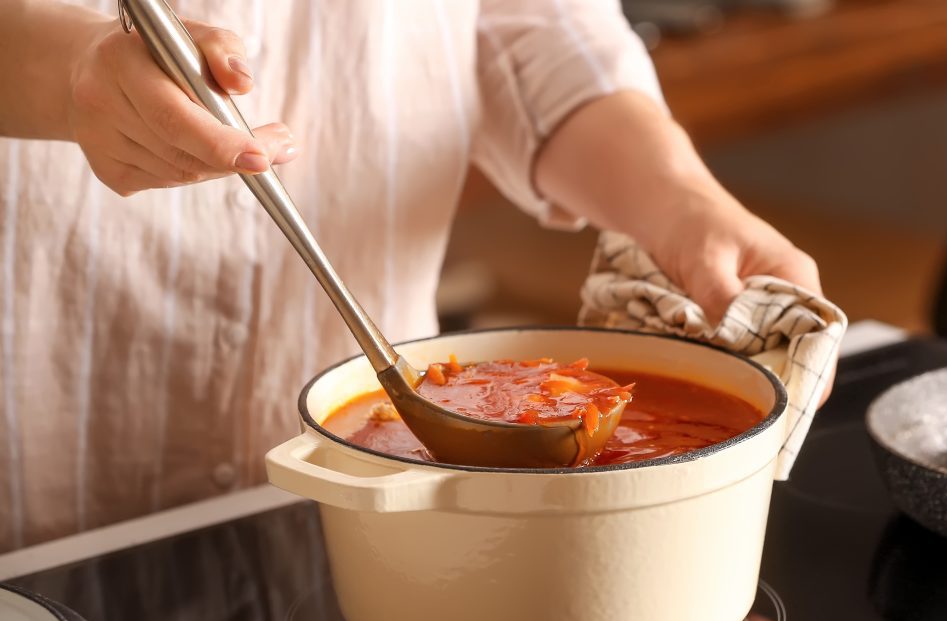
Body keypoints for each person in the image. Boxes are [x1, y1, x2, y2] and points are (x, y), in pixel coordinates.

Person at [0, 0, 822, 552]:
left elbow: (530, 24)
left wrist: (682, 206)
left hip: (383, 526)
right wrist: (67, 73)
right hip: (41, 507)